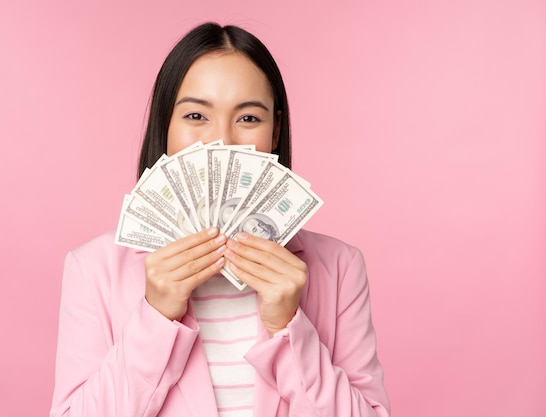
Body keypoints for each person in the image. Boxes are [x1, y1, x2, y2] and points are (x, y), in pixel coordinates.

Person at [50, 22, 391, 417]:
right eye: (196, 115)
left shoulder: (338, 268)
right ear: (165, 125)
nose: (222, 143)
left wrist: (288, 328)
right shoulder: (92, 270)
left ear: (275, 130)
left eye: (248, 119)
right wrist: (156, 318)